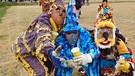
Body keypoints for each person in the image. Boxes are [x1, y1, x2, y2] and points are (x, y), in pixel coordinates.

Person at [11, 0, 66, 76]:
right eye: (58, 9)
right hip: (24, 50)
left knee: (49, 66)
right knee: (40, 72)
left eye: (64, 11)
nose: (61, 13)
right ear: (51, 10)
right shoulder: (44, 21)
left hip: (35, 48)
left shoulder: (59, 23)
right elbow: (43, 37)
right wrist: (51, 52)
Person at [54, 2, 100, 76]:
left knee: (94, 61)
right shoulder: (61, 40)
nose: (72, 36)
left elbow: (95, 50)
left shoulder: (84, 36)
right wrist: (66, 63)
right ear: (64, 33)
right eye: (68, 33)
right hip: (68, 67)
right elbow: (56, 58)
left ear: (78, 31)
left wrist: (88, 57)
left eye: (74, 33)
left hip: (85, 65)